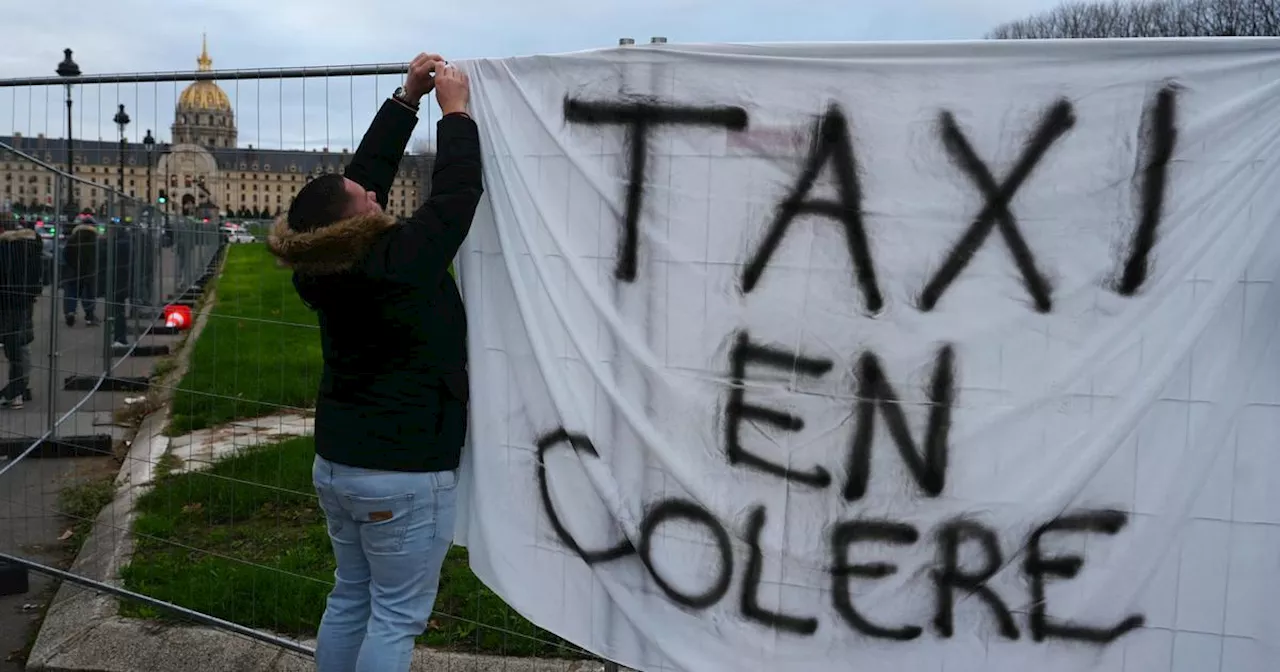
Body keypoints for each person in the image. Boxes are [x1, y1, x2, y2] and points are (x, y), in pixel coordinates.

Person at [266, 54, 481, 672]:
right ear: (358, 217)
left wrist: (404, 101)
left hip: (340, 463)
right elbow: (458, 191)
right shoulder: (400, 260)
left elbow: (359, 181)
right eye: (367, 199)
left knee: (352, 594)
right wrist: (455, 112)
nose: (373, 193)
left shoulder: (320, 267)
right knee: (396, 615)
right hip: (404, 470)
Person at [0, 223, 44, 408]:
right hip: (25, 301)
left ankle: (15, 391)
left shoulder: (6, 248)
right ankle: (20, 388)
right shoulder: (33, 246)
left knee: (13, 346)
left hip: (7, 302)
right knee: (22, 343)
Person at [63, 215, 100, 327]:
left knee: (71, 293)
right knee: (89, 294)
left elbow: (66, 254)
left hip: (73, 271)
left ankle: (70, 312)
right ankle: (89, 316)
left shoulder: (73, 238)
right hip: (89, 271)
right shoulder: (95, 239)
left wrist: (71, 265)